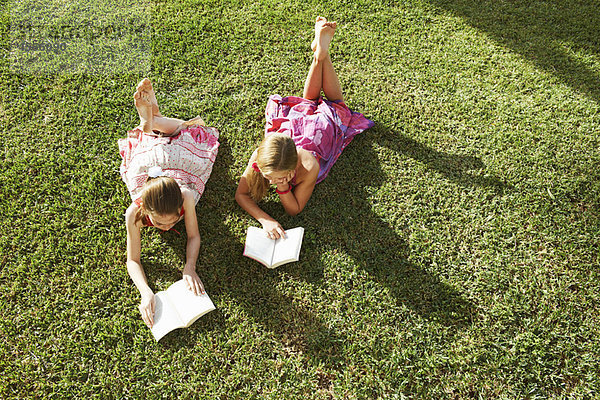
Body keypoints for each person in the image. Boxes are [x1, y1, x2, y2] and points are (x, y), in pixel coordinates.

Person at [235, 17, 374, 239]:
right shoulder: (261, 158)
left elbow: (295, 209)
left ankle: (321, 55)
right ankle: (320, 53)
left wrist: (283, 188)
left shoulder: (309, 168)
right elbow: (240, 194)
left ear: (294, 167)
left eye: (278, 178)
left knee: (336, 105)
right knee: (307, 103)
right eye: (270, 177)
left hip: (320, 132)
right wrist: (266, 220)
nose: (272, 181)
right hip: (294, 128)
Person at [118, 78, 219, 328]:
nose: (165, 228)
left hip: (178, 171)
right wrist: (145, 292)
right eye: (158, 222)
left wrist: (190, 267)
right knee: (175, 136)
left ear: (179, 209)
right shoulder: (134, 212)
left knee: (178, 135)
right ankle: (151, 121)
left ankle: (150, 122)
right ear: (145, 210)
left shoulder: (185, 197)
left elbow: (193, 236)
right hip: (152, 170)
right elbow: (133, 260)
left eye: (173, 220)